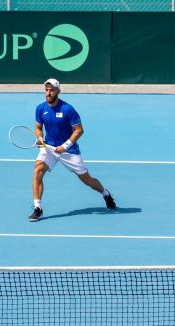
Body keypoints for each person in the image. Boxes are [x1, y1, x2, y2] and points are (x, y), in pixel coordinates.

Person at [29, 78, 117, 222]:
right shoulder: (40, 108)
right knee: (38, 170)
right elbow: (38, 128)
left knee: (86, 179)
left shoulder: (67, 109)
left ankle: (106, 194)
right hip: (49, 148)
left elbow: (79, 130)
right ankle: (37, 208)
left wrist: (64, 146)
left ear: (58, 91)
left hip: (69, 151)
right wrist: (39, 138)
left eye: (52, 90)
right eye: (46, 90)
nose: (49, 93)